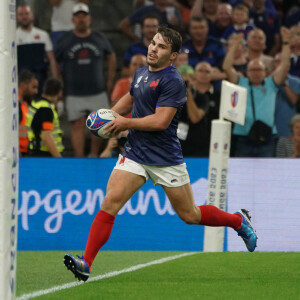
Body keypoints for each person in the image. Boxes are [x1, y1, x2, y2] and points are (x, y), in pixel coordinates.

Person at [63, 25, 258, 282]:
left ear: (173, 55)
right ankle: (86, 262)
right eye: (153, 43)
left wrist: (124, 123)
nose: (153, 48)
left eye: (161, 46)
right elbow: (131, 98)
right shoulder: (142, 71)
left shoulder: (173, 82)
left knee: (190, 215)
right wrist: (108, 117)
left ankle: (237, 221)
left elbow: (160, 122)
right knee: (110, 202)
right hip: (134, 153)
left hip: (165, 158)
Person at [54, 3, 116, 157]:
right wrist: (58, 82)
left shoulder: (98, 37)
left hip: (97, 89)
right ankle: (79, 158)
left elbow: (112, 55)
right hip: (74, 90)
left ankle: (94, 155)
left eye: (84, 16)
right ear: (73, 19)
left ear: (90, 19)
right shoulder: (65, 39)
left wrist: (109, 80)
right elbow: (54, 60)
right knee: (77, 124)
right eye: (78, 16)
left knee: (100, 124)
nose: (81, 19)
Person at [223, 28, 291, 157]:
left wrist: (286, 43)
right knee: (241, 174)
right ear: (247, 72)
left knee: (266, 174)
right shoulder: (241, 82)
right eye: (252, 70)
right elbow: (227, 67)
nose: (256, 72)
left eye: (259, 69)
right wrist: (236, 45)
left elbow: (285, 65)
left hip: (267, 137)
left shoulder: (272, 83)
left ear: (265, 72)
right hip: (243, 137)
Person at [177, 62, 220, 157]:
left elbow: (195, 118)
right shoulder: (169, 96)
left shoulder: (202, 97)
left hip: (198, 146)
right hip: (174, 146)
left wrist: (188, 93)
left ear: (192, 80)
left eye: (186, 82)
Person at [16, 4, 59, 96]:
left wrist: (55, 81)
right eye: (21, 14)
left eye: (26, 13)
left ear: (32, 15)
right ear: (16, 17)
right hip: (21, 82)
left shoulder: (43, 35)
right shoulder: (13, 37)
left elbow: (51, 59)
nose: (24, 17)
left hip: (40, 81)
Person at [26, 78, 64, 157]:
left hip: (35, 151)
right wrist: (59, 159)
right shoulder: (46, 109)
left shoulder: (36, 103)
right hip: (44, 155)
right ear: (59, 93)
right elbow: (46, 136)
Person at [119, 0, 184, 41]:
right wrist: (136, 39)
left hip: (169, 47)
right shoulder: (145, 10)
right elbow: (123, 25)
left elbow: (183, 33)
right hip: (147, 46)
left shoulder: (174, 11)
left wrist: (177, 25)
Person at [18, 70, 39, 156]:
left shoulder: (25, 105)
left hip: (25, 153)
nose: (36, 91)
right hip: (19, 154)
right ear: (23, 85)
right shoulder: (14, 106)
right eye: (33, 87)